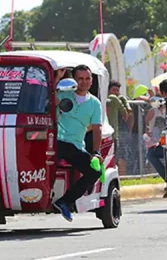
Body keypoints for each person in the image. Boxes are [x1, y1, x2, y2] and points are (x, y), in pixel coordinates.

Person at [53, 64, 103, 222]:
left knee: (95, 171)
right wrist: (57, 78)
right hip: (55, 141)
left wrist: (96, 152)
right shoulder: (64, 94)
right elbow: (50, 97)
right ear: (73, 80)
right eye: (80, 79)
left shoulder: (95, 103)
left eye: (87, 78)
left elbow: (97, 129)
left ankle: (65, 201)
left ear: (92, 80)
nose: (84, 82)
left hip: (75, 146)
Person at [106, 81, 132, 146]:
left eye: (117, 90)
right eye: (113, 90)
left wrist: (127, 106)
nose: (116, 92)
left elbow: (122, 98)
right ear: (108, 91)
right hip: (106, 134)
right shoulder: (108, 100)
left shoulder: (117, 100)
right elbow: (113, 97)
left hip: (114, 134)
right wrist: (124, 111)